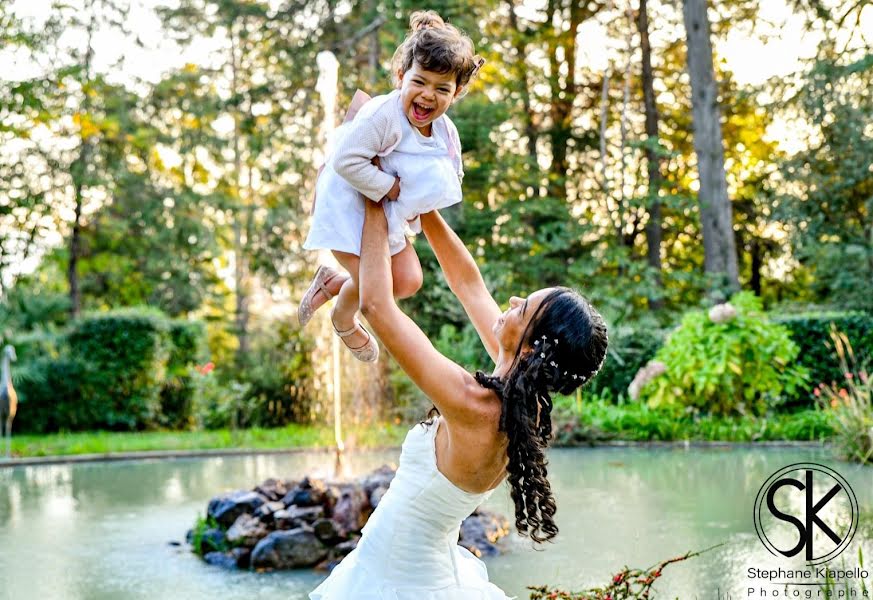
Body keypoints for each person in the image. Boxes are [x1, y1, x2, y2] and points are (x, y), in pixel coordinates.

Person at [308, 200, 609, 599]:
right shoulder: (522, 404)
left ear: (532, 349)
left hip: (394, 580)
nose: (513, 302)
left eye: (524, 309)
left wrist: (374, 200)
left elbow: (378, 307)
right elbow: (468, 283)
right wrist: (425, 208)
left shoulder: (474, 404)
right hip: (423, 571)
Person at [298, 10, 485, 363]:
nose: (428, 95)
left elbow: (446, 170)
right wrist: (389, 187)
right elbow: (345, 161)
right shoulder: (385, 117)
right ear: (401, 76)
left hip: (384, 211)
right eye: (420, 82)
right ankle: (342, 317)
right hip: (349, 204)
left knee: (409, 281)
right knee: (377, 292)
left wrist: (416, 196)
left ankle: (333, 283)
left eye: (441, 88)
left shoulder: (445, 131)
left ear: (456, 92)